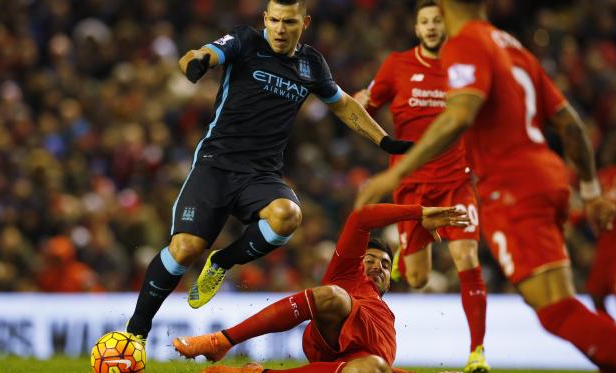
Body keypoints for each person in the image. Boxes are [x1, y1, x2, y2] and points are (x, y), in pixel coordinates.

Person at [126, 0, 413, 341]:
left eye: (288, 22)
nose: (279, 29)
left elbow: (344, 105)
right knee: (185, 249)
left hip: (260, 175)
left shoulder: (311, 64)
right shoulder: (245, 41)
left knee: (287, 215)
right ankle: (134, 335)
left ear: (303, 23)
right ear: (265, 19)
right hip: (216, 165)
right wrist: (198, 61)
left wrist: (385, 142)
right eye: (274, 20)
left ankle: (222, 262)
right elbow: (201, 53)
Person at [355, 0, 616, 370]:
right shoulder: (512, 46)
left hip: (511, 189)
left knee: (556, 310)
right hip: (547, 177)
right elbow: (571, 125)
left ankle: (477, 352)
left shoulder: (465, 45)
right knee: (555, 301)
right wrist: (590, 193)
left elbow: (459, 116)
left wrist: (395, 172)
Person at [172, 204, 468, 373]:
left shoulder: (386, 315)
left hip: (357, 367)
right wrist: (418, 213)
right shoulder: (348, 275)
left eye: (386, 265)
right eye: (372, 259)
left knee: (372, 368)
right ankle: (222, 341)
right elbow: (362, 217)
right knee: (333, 295)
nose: (379, 266)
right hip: (330, 330)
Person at [353, 2, 487, 371]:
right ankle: (403, 261)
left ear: (447, 26)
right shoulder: (396, 65)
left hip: (455, 181)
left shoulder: (464, 66)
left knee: (467, 258)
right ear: (416, 28)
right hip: (411, 186)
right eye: (425, 21)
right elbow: (369, 103)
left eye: (437, 21)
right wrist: (357, 101)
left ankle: (477, 352)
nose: (431, 27)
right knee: (419, 278)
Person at [587, 142, 616, 321]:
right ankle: (611, 337)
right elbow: (587, 209)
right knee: (596, 294)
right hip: (604, 249)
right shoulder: (601, 177)